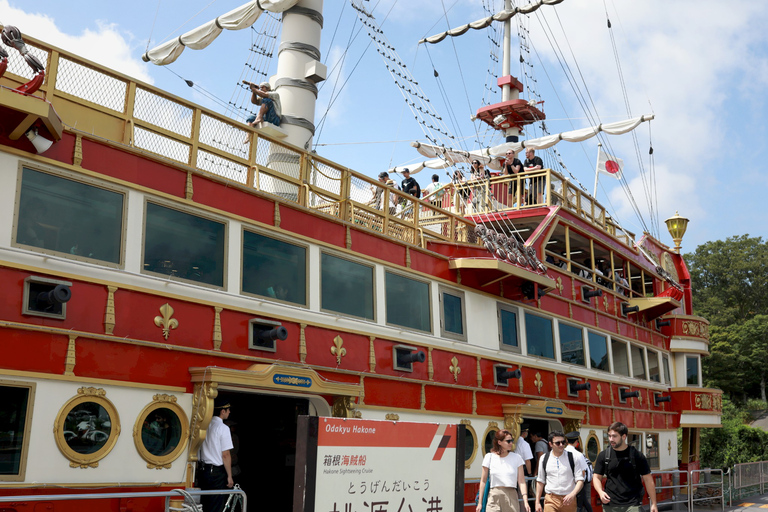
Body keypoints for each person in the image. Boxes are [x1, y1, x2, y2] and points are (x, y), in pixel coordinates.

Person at [592, 422, 658, 512]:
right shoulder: (603, 456)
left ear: (624, 437)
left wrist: (654, 503)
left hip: (633, 504)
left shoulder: (637, 455)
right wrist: (600, 492)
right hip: (610, 505)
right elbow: (596, 477)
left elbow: (648, 479)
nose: (611, 439)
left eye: (614, 436)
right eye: (609, 436)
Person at [478, 429, 531, 512]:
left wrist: (525, 500)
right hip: (494, 495)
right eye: (508, 441)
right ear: (499, 442)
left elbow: (521, 481)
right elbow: (483, 481)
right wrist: (480, 502)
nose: (511, 443)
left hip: (511, 495)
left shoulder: (517, 458)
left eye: (512, 440)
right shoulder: (489, 457)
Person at [534, 431, 586, 512]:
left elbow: (580, 480)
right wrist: (537, 502)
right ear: (550, 444)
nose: (561, 445)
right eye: (558, 443)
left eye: (563, 442)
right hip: (551, 499)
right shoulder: (544, 458)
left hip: (569, 500)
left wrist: (573, 494)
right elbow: (540, 481)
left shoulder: (573, 457)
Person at [198, 398, 234, 512]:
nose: (229, 412)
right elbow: (226, 454)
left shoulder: (205, 425)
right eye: (228, 410)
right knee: (216, 504)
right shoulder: (223, 428)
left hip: (203, 469)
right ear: (222, 411)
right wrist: (229, 476)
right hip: (216, 472)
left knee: (205, 503)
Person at [564, 432, 593, 512]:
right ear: (577, 442)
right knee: (580, 504)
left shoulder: (562, 453)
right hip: (578, 484)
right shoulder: (579, 454)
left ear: (566, 441)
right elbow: (583, 472)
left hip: (565, 484)